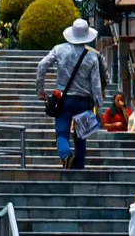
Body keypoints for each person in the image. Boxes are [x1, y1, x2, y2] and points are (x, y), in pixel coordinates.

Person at [35, 17, 104, 170]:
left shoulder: (59, 49)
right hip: (83, 101)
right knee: (81, 137)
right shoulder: (92, 57)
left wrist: (40, 89)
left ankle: (66, 156)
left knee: (61, 133)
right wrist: (99, 108)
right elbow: (96, 86)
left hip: (63, 100)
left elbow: (41, 66)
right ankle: (78, 168)